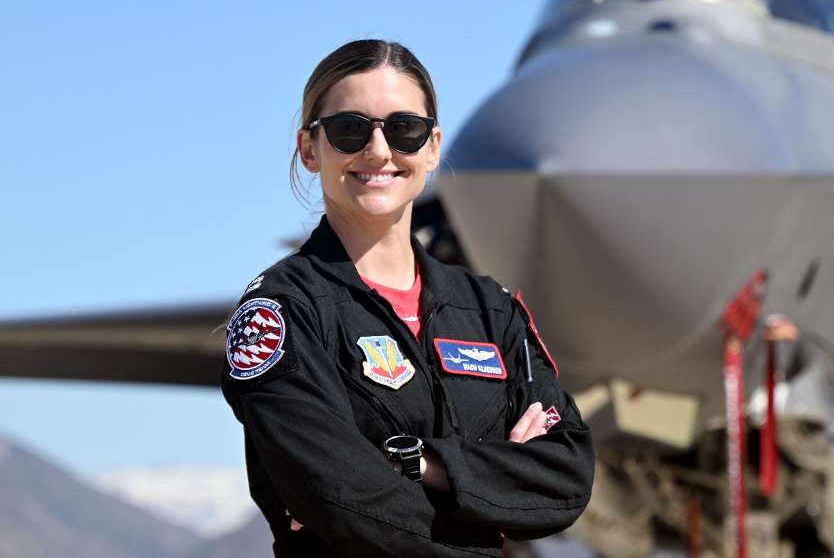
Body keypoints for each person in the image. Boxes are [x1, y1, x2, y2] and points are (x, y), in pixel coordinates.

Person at [221, 39, 595, 557]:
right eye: (350, 130)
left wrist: (419, 463)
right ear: (310, 149)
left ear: (433, 147)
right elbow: (340, 498)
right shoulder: (282, 313)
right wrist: (489, 498)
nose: (378, 151)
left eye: (403, 130)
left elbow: (565, 477)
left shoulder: (489, 310)